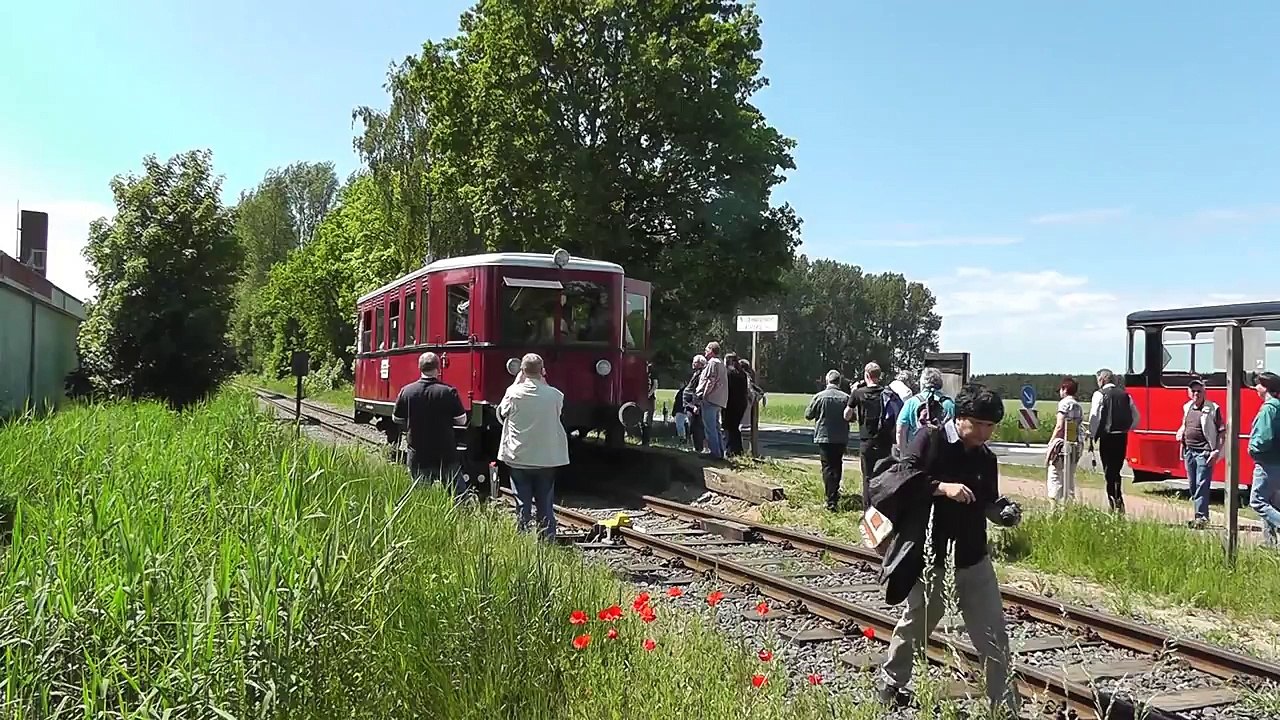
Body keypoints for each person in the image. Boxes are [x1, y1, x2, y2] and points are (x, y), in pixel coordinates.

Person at [870, 384, 1021, 714]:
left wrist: (1003, 512)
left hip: (973, 557)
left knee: (994, 634)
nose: (985, 432)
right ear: (960, 417)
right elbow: (898, 479)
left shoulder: (985, 458)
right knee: (918, 623)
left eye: (990, 426)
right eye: (978, 424)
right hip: (931, 556)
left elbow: (986, 502)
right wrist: (941, 488)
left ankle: (1005, 706)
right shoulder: (930, 439)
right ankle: (892, 683)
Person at [497, 353, 569, 540]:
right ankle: (547, 537)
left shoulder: (512, 393)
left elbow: (502, 413)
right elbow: (556, 409)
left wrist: (516, 383)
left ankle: (522, 536)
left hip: (519, 457)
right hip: (546, 459)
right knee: (545, 501)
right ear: (543, 371)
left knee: (522, 501)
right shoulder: (555, 395)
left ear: (522, 370)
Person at [392, 352, 468, 496]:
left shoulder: (407, 391)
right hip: (445, 453)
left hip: (418, 453)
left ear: (419, 368)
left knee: (420, 495)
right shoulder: (448, 392)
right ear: (438, 368)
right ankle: (461, 516)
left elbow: (397, 418)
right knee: (457, 494)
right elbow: (462, 420)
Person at [845, 362, 900, 507]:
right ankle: (882, 507)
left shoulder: (858, 393)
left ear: (866, 375)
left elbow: (846, 415)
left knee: (867, 476)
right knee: (883, 475)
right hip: (885, 441)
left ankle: (868, 509)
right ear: (879, 376)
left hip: (866, 441)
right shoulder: (887, 393)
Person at [1087, 368, 1141, 514]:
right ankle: (1118, 502)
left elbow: (1095, 416)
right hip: (1122, 437)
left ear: (1102, 380)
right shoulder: (1125, 395)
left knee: (1109, 472)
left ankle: (1114, 503)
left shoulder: (1099, 395)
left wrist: (1091, 434)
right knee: (1116, 471)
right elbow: (1136, 417)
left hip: (1107, 437)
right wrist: (1128, 428)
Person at [1175, 376, 1225, 529]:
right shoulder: (1187, 407)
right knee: (1192, 484)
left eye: (1199, 391)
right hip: (1189, 451)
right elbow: (1185, 424)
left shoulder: (1213, 408)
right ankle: (1198, 515)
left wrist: (1216, 450)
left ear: (1204, 392)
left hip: (1204, 452)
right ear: (1189, 393)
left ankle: (1201, 518)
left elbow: (1222, 432)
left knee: (1202, 484)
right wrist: (1180, 433)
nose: (1196, 394)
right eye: (1193, 391)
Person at [805, 370, 852, 511]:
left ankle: (829, 498)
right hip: (840, 437)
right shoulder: (846, 398)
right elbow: (852, 416)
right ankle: (834, 493)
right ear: (839, 382)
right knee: (837, 466)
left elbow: (808, 415)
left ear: (827, 381)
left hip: (824, 437)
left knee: (827, 467)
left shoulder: (819, 397)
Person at [1248, 371, 1280, 547]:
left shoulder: (1268, 408)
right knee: (1271, 503)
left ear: (1266, 388)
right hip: (1277, 461)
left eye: (1258, 385)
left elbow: (1265, 438)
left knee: (1258, 501)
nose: (1255, 388)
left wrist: (1253, 449)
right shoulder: (1279, 405)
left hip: (1267, 463)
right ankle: (1270, 544)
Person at [895, 367, 956, 452]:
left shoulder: (911, 402)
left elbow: (900, 430)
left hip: (916, 454)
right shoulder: (949, 404)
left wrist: (903, 453)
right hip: (942, 455)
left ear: (922, 383)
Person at [1046, 376, 1084, 506]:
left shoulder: (1064, 403)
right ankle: (1068, 504)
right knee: (1069, 477)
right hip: (1075, 444)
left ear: (1065, 389)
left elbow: (1060, 426)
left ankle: (1054, 507)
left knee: (1055, 475)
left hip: (1062, 446)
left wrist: (1051, 442)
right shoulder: (1078, 406)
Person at [695, 342, 728, 459]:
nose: (705, 351)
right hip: (719, 400)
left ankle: (714, 453)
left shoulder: (713, 363)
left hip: (710, 399)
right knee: (716, 427)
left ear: (711, 350)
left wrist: (703, 395)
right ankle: (720, 452)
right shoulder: (721, 363)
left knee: (710, 428)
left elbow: (710, 381)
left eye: (706, 349)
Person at [723, 353, 750, 456]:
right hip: (741, 403)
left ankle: (730, 450)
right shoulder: (742, 373)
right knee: (735, 427)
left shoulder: (728, 373)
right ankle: (738, 450)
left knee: (728, 428)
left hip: (730, 403)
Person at [684, 355, 708, 452]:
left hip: (694, 405)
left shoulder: (701, 375)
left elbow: (700, 391)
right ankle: (696, 447)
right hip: (689, 404)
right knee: (692, 425)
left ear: (700, 364)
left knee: (696, 426)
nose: (693, 364)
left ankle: (698, 448)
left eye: (695, 362)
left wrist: (696, 405)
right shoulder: (696, 374)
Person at [641, 362, 658, 446]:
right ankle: (643, 441)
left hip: (649, 400)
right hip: (640, 400)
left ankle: (646, 442)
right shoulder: (640, 372)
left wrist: (648, 395)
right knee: (641, 421)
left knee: (647, 420)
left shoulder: (652, 373)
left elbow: (655, 385)